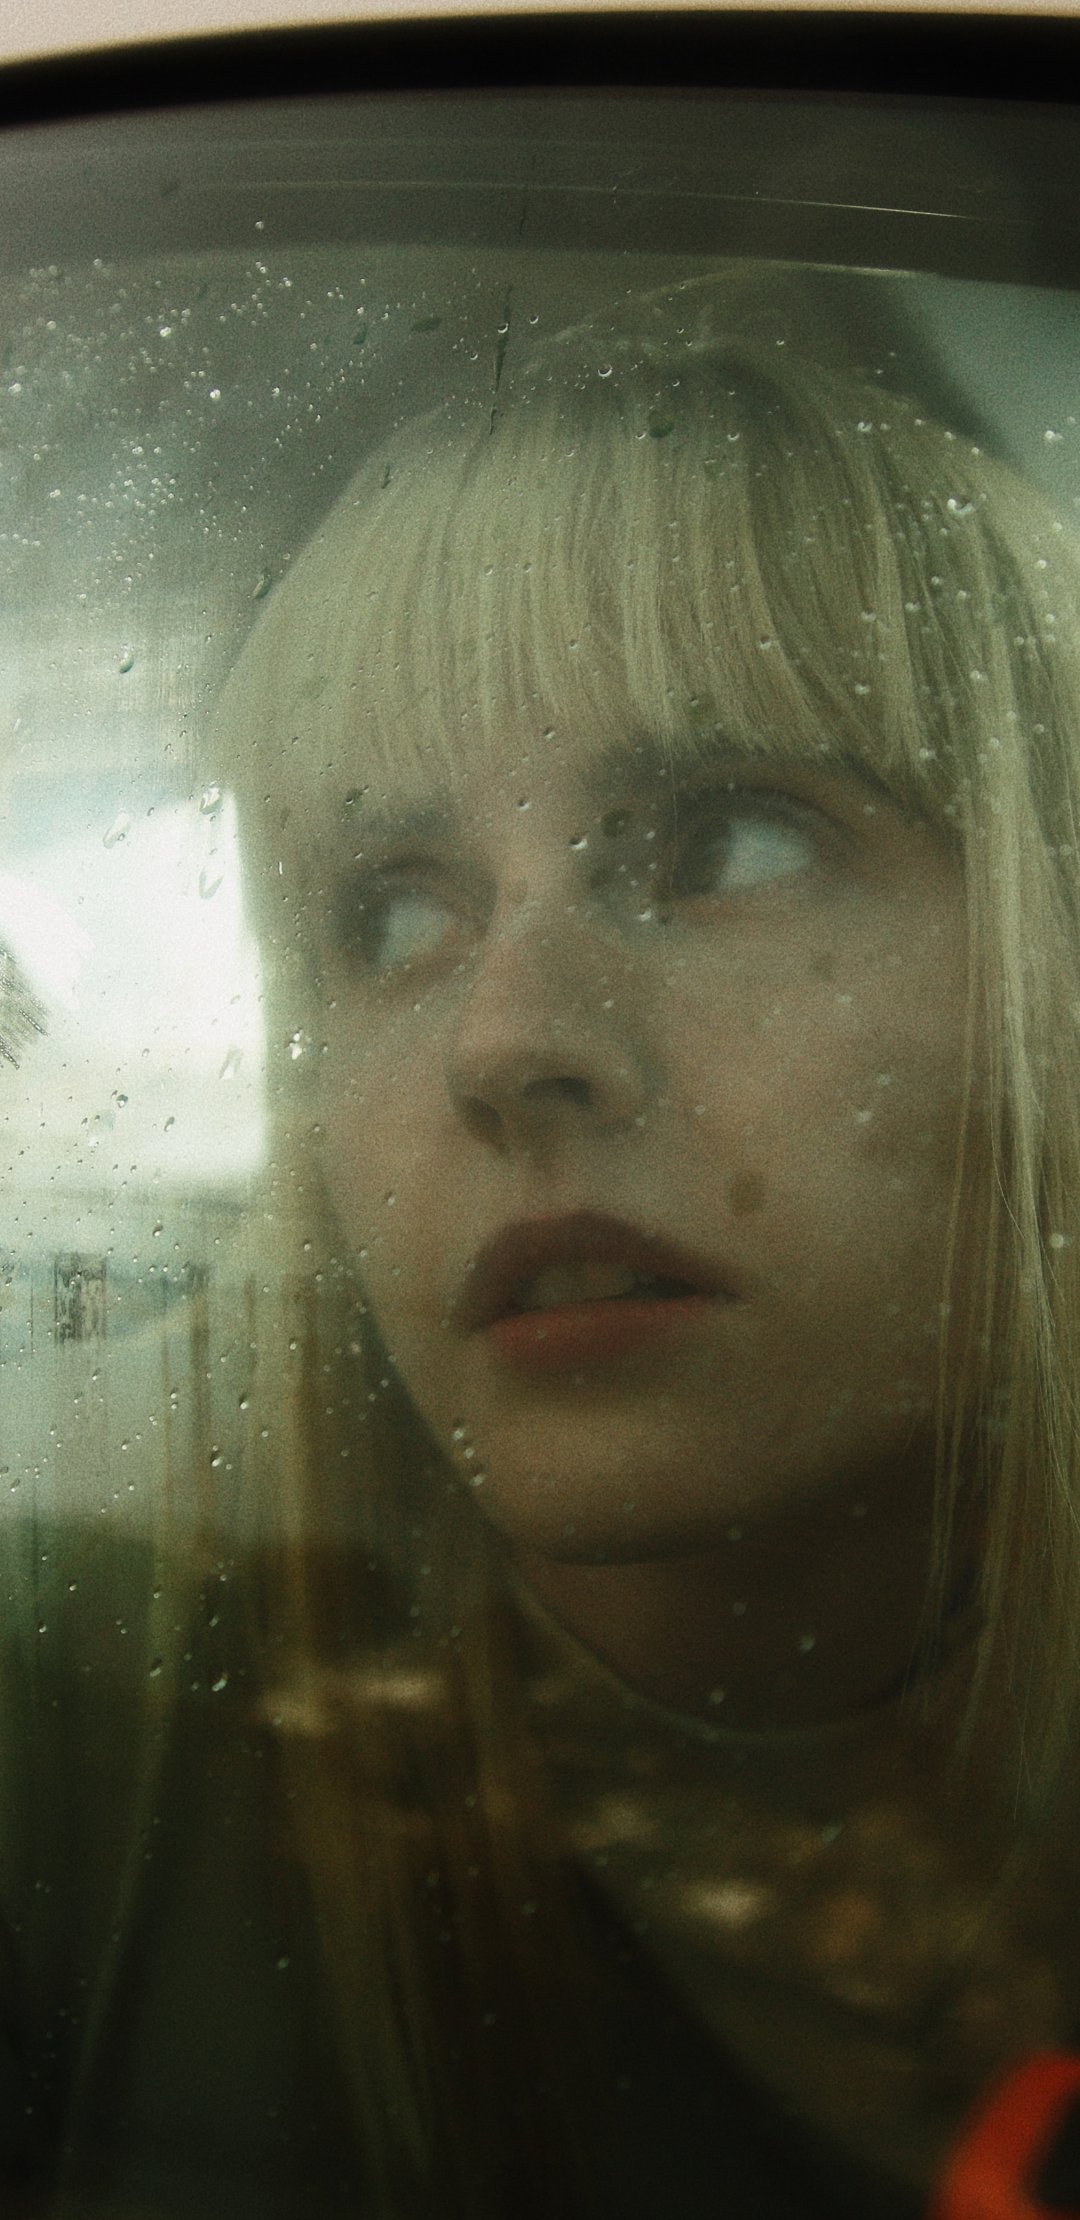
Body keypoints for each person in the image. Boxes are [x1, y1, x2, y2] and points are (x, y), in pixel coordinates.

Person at [23, 279, 1080, 2219]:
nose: (505, 1044)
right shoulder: (73, 1751)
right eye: (390, 912)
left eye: (730, 840)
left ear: (1051, 972)